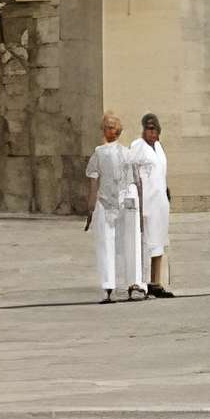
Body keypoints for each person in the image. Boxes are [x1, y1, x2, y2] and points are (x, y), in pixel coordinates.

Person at [82, 110, 142, 301]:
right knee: (127, 242)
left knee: (109, 244)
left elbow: (94, 183)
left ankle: (112, 286)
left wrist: (90, 208)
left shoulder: (100, 153)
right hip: (121, 201)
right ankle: (129, 283)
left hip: (112, 202)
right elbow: (137, 182)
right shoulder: (127, 154)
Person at [132, 113, 174, 296]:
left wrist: (166, 190)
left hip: (160, 203)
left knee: (159, 242)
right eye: (148, 129)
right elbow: (131, 173)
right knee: (144, 243)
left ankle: (156, 282)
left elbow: (160, 173)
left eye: (154, 129)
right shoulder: (137, 147)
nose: (152, 133)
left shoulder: (159, 147)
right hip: (145, 203)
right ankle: (140, 282)